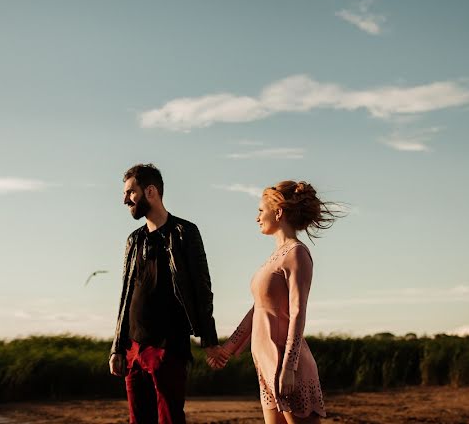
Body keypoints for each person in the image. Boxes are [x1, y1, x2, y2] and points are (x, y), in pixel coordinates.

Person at [210, 181, 341, 424]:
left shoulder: (297, 253)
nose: (257, 217)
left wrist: (289, 368)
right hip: (266, 365)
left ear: (278, 212)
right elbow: (259, 309)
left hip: (287, 367)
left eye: (261, 210)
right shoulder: (273, 257)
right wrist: (228, 348)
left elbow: (298, 312)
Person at [109, 163, 226, 424]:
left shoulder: (185, 232)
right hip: (134, 347)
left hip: (169, 346)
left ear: (150, 191)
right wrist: (118, 347)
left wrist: (209, 339)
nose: (125, 199)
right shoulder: (134, 240)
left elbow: (202, 289)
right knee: (138, 420)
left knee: (170, 419)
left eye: (130, 192)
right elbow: (125, 294)